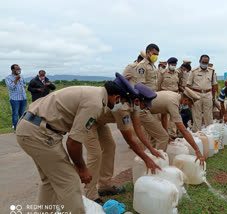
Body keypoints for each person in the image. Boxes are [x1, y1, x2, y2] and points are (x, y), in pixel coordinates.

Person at [15, 73, 158, 213]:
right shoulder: (94, 103)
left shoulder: (95, 94)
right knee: (69, 181)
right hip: (40, 134)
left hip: (31, 128)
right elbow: (73, 142)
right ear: (116, 97)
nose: (120, 105)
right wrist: (82, 168)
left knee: (50, 182)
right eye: (122, 101)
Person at [83, 74, 162, 204]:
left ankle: (104, 185)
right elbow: (130, 139)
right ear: (138, 100)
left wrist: (151, 149)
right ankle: (90, 194)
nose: (146, 107)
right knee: (95, 154)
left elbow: (138, 130)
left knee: (110, 147)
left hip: (100, 122)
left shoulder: (133, 104)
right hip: (89, 122)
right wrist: (146, 159)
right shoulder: (123, 109)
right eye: (145, 104)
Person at [136, 84, 205, 164]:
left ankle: (153, 159)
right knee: (162, 138)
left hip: (147, 109)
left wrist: (166, 133)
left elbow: (163, 116)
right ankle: (157, 163)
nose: (187, 106)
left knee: (161, 136)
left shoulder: (175, 96)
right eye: (188, 104)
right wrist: (197, 150)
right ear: (186, 100)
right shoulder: (173, 103)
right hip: (143, 110)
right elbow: (183, 130)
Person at [187, 55, 216, 132]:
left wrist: (213, 97)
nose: (204, 64)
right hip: (196, 95)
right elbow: (188, 85)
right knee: (197, 115)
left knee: (208, 115)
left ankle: (210, 133)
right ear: (199, 62)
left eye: (206, 62)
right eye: (203, 62)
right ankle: (197, 134)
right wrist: (190, 98)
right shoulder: (193, 71)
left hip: (208, 94)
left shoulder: (212, 71)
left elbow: (214, 85)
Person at [5, 64, 27, 130]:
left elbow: (24, 85)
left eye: (19, 69)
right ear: (13, 70)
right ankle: (16, 128)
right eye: (17, 69)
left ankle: (22, 128)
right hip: (15, 99)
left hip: (23, 98)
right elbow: (11, 87)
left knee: (22, 114)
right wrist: (16, 79)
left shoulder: (21, 76)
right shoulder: (8, 77)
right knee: (15, 114)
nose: (19, 70)